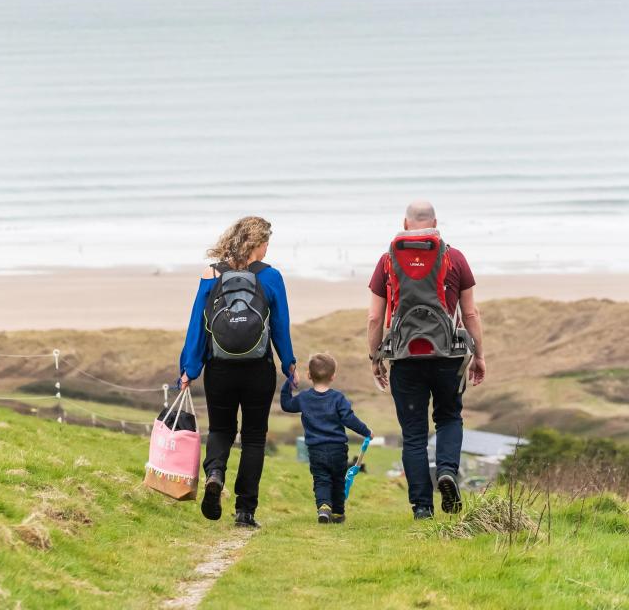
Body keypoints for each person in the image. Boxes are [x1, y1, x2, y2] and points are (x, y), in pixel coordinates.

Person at [367, 201, 486, 520]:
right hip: (448, 355)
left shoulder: (387, 260)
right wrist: (479, 354)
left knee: (414, 434)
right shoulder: (455, 257)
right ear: (435, 222)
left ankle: (422, 507)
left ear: (405, 224)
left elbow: (374, 318)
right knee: (448, 418)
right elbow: (471, 312)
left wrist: (375, 357)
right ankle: (447, 472)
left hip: (405, 359)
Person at [179, 216, 298, 528]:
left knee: (220, 430)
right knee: (254, 438)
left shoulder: (211, 274)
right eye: (266, 242)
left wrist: (190, 368)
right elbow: (281, 327)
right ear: (257, 244)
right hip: (258, 369)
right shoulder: (270, 277)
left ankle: (215, 474)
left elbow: (198, 327)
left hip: (219, 368)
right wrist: (289, 363)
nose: (268, 248)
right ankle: (245, 512)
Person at [281, 352, 372, 524]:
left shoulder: (304, 398)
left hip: (316, 450)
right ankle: (338, 513)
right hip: (338, 449)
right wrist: (366, 431)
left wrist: (289, 383)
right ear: (333, 376)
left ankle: (324, 507)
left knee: (321, 479)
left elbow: (286, 404)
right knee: (338, 480)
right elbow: (349, 419)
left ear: (309, 375)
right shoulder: (338, 398)